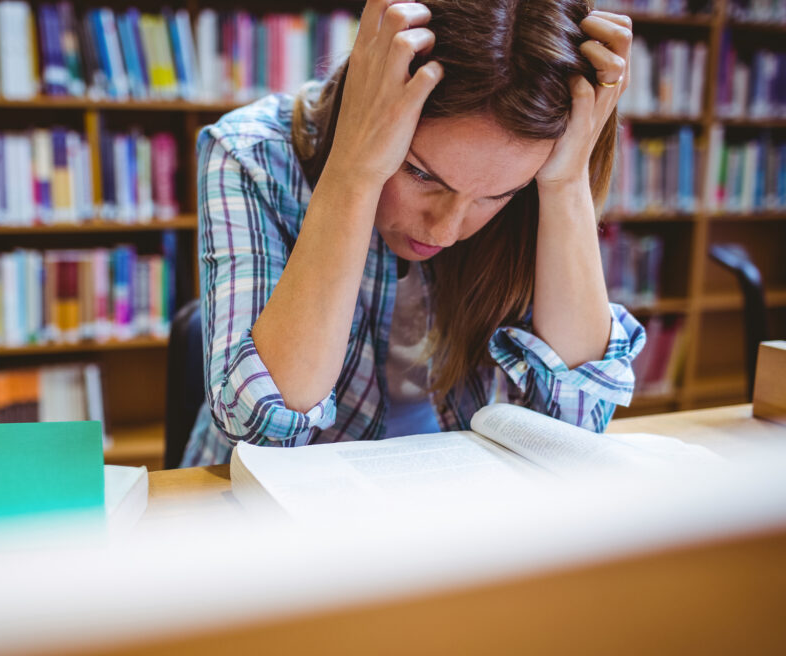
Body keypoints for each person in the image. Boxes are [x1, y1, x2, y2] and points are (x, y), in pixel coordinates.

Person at [181, 0, 646, 467]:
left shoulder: (542, 183)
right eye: (422, 175)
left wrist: (566, 184)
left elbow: (576, 426)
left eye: (497, 195)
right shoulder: (251, 154)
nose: (445, 230)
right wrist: (354, 171)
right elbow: (261, 432)